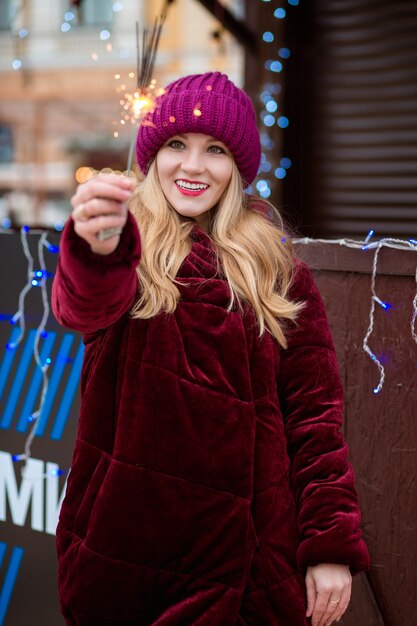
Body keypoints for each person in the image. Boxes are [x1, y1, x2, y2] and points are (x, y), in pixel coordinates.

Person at [52, 71, 370, 626]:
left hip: (250, 572)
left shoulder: (277, 267)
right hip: (125, 563)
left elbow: (315, 420)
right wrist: (95, 247)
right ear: (152, 155)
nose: (193, 166)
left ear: (237, 167)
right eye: (176, 144)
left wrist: (328, 546)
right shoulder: (126, 243)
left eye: (215, 149)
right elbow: (81, 304)